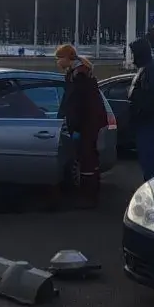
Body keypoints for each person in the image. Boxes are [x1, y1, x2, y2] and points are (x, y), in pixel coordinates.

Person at [55, 44, 107, 208]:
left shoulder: (79, 76)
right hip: (89, 123)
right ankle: (90, 194)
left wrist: (72, 125)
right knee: (88, 159)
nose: (57, 62)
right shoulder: (79, 73)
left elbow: (75, 104)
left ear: (66, 58)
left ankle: (89, 197)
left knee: (87, 160)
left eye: (58, 58)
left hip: (87, 125)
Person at [128, 37, 154, 181]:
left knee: (147, 158)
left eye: (133, 53)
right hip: (145, 122)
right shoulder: (147, 69)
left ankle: (150, 184)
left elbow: (150, 100)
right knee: (145, 157)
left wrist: (138, 114)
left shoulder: (150, 71)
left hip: (147, 123)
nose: (131, 57)